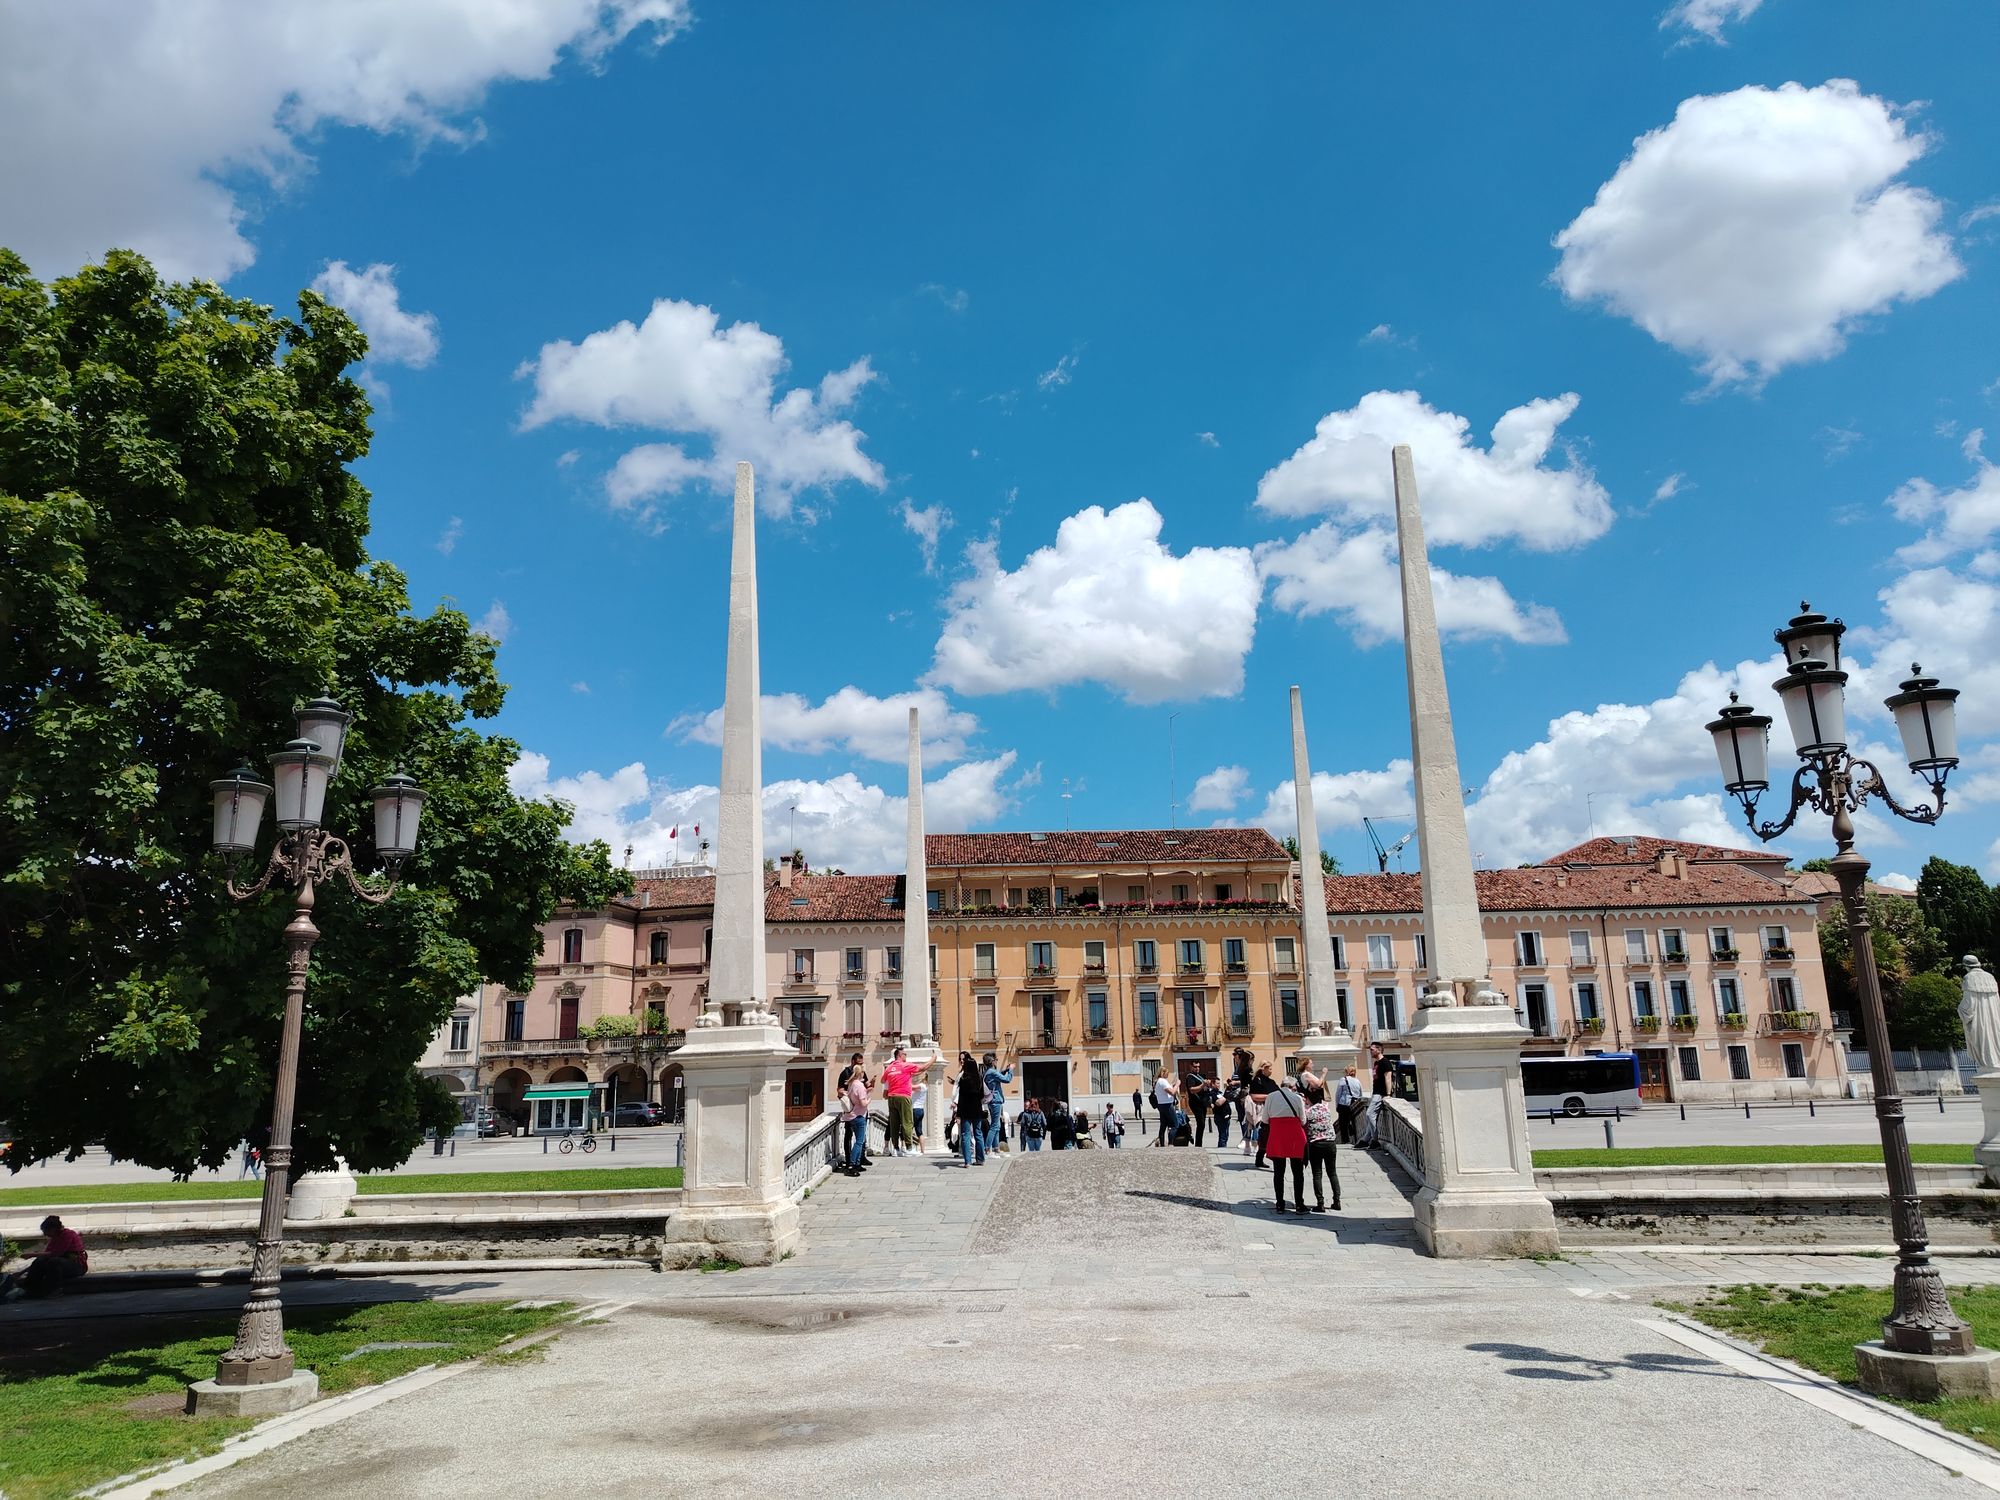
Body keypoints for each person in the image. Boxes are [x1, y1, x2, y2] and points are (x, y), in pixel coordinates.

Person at [2, 1216, 88, 1300]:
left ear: (53, 1229)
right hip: (60, 1266)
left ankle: (54, 1290)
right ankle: (30, 1289)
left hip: (77, 1267)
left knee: (54, 1261)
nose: (45, 1234)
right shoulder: (54, 1238)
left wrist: (32, 1254)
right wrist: (21, 1273)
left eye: (46, 1231)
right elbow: (45, 1257)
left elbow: (56, 1253)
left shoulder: (68, 1235)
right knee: (40, 1260)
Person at [1262, 1074, 1308, 1215]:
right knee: (1298, 1173)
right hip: (1295, 1136)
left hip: (1277, 1136)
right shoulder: (1297, 1098)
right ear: (1293, 1087)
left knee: (1278, 1172)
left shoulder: (1270, 1097)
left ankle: (1280, 1204)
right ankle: (1299, 1204)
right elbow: (1303, 1120)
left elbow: (1265, 1119)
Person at [880, 1045, 925, 1156]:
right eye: (905, 1054)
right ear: (900, 1055)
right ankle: (909, 1148)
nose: (906, 1056)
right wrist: (933, 1060)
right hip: (903, 1096)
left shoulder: (889, 1068)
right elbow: (921, 1068)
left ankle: (895, 1149)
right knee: (907, 1122)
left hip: (892, 1097)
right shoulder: (905, 1066)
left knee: (894, 1124)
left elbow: (882, 1080)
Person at [1303, 1081, 1340, 1212]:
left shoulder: (1308, 1112)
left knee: (1317, 1174)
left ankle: (1320, 1203)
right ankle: (1337, 1201)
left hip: (1316, 1144)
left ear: (1308, 1100)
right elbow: (1326, 1098)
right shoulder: (1326, 1108)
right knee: (1332, 1173)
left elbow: (1304, 1123)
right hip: (1330, 1142)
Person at [954, 1052, 988, 1167]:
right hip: (977, 1109)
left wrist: (958, 1114)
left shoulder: (963, 1079)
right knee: (978, 1134)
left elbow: (961, 1097)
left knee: (965, 1134)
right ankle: (980, 1159)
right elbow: (982, 1095)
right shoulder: (979, 1078)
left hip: (965, 1110)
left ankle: (967, 1161)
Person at [838, 1066, 870, 1175]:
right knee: (859, 1142)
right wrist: (868, 1100)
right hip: (859, 1116)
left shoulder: (851, 1084)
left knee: (857, 1141)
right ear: (860, 1073)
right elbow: (862, 1103)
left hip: (851, 1116)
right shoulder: (859, 1085)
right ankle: (851, 1165)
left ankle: (856, 1164)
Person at [981, 1052, 1014, 1154]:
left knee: (997, 1125)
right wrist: (1011, 1070)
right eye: (996, 1060)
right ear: (992, 1061)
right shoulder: (992, 1072)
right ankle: (987, 1148)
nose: (996, 1062)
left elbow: (999, 1075)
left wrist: (1006, 1070)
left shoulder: (988, 1072)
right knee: (995, 1125)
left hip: (992, 1100)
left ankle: (996, 1147)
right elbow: (1007, 1080)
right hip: (996, 1100)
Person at [1249, 1061, 1279, 1168]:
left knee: (1270, 1135)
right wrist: (1269, 1096)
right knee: (1265, 1134)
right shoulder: (1257, 1081)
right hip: (1263, 1111)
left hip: (1274, 1111)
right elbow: (1253, 1096)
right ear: (1264, 1069)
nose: (1271, 1071)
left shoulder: (1271, 1081)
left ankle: (1263, 1159)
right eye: (1269, 1069)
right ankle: (1262, 1158)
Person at [1334, 1065, 1365, 1145]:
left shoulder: (1343, 1080)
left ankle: (1345, 1140)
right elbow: (1361, 1094)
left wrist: (1337, 1105)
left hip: (1344, 1103)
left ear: (1347, 1072)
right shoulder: (1358, 1081)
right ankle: (1355, 1136)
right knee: (1352, 1120)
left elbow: (1338, 1094)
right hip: (1354, 1103)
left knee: (1343, 1123)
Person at [1150, 1068, 1179, 1147]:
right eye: (1167, 1073)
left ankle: (1162, 1144)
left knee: (1163, 1125)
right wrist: (1177, 1085)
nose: (1168, 1075)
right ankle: (1170, 1143)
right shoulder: (1163, 1081)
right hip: (1167, 1104)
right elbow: (1172, 1092)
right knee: (1175, 1125)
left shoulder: (1157, 1082)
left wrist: (1172, 1086)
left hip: (1160, 1104)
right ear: (1163, 1073)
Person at [1186, 1073, 1210, 1147]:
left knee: (1202, 1124)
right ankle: (1198, 1145)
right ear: (1191, 1066)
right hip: (1195, 1102)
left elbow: (1206, 1088)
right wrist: (1202, 1085)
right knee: (1201, 1123)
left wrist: (1208, 1084)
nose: (1197, 1068)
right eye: (1195, 1066)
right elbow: (1192, 1090)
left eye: (1198, 1066)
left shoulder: (1201, 1076)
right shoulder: (1190, 1077)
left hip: (1203, 1102)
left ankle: (1199, 1144)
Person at [912, 1077, 928, 1146]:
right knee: (919, 1131)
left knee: (909, 1129)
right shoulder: (924, 1087)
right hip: (920, 1109)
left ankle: (908, 1148)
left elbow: (911, 1087)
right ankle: (922, 1150)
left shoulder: (921, 1086)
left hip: (915, 1109)